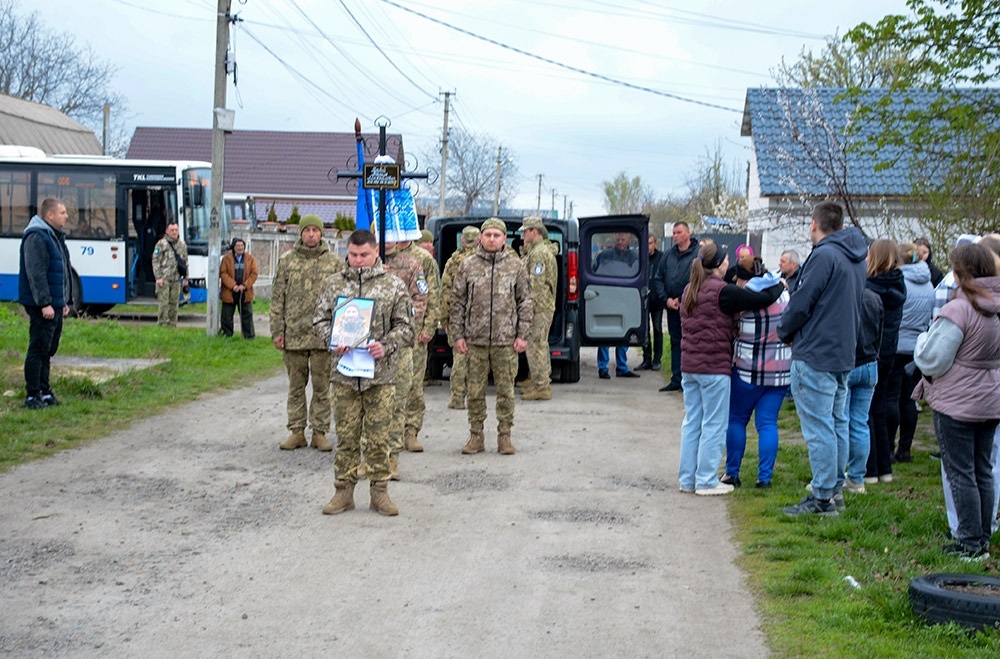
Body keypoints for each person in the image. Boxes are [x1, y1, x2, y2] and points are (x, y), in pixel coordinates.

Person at [315, 230, 414, 517]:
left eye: (364, 255)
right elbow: (318, 320)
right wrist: (332, 340)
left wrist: (386, 345)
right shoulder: (333, 284)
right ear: (347, 253)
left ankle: (379, 492)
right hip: (344, 374)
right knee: (346, 437)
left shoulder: (393, 285)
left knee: (379, 437)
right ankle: (343, 492)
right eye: (353, 255)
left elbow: (406, 327)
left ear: (375, 253)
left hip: (380, 377)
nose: (358, 261)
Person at [777, 201, 867, 517]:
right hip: (843, 352)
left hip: (816, 352)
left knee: (820, 428)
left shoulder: (824, 255)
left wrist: (784, 331)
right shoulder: (856, 256)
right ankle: (834, 491)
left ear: (814, 224)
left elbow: (801, 304)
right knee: (837, 422)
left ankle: (823, 497)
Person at [913, 242, 1000, 561]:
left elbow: (932, 359)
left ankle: (969, 542)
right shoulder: (995, 307)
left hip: (958, 401)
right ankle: (982, 538)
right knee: (982, 469)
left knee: (961, 472)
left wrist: (923, 339)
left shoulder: (959, 309)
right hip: (990, 398)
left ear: (961, 272)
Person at [678, 240, 784, 496]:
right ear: (718, 265)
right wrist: (781, 284)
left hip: (689, 367)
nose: (729, 264)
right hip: (714, 368)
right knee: (714, 424)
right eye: (726, 260)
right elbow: (762, 297)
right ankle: (705, 480)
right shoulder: (723, 291)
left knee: (692, 423)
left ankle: (687, 479)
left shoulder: (689, 289)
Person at [450, 218, 533, 455]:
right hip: (474, 341)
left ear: (504, 238)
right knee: (474, 391)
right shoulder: (467, 265)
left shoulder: (516, 265)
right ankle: (476, 435)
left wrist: (522, 334)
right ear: (480, 238)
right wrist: (457, 335)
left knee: (506, 390)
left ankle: (504, 436)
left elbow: (525, 301)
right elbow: (457, 301)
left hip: (505, 341)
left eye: (497, 235)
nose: (492, 239)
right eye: (488, 235)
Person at [269, 214, 343, 452]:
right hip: (294, 335)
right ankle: (297, 431)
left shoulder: (333, 263)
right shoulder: (287, 261)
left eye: (315, 230)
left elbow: (342, 299)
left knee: (322, 387)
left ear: (322, 233)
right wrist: (277, 331)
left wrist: (340, 333)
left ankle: (319, 432)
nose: (311, 234)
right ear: (300, 233)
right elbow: (277, 298)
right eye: (307, 230)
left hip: (323, 337)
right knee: (295, 387)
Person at [722, 264, 791, 489]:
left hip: (746, 370)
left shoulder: (744, 301)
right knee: (768, 423)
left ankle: (732, 473)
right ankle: (764, 478)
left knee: (737, 420)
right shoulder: (785, 296)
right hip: (778, 371)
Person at [18, 198, 73, 409]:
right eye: (62, 212)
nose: (66, 216)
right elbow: (36, 273)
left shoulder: (54, 237)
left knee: (49, 349)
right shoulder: (37, 237)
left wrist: (64, 301)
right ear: (49, 215)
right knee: (38, 348)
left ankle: (44, 390)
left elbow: (63, 272)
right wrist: (44, 304)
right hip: (42, 305)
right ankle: (32, 395)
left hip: (55, 304)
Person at [382, 240, 427, 478]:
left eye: (391, 233)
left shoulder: (411, 264)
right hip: (367, 349)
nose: (387, 238)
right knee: (366, 407)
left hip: (398, 346)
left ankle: (391, 459)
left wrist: (397, 324)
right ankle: (368, 457)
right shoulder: (357, 263)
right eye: (381, 232)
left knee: (397, 403)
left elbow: (420, 302)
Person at [863, 239, 906, 485]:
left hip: (872, 352)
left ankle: (869, 469)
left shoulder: (870, 287)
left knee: (866, 412)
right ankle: (884, 467)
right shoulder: (899, 285)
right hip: (889, 352)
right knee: (877, 410)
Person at [891, 242, 935, 463]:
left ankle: (888, 446)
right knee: (909, 400)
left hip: (897, 345)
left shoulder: (899, 282)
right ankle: (905, 448)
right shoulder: (928, 284)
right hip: (916, 347)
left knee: (891, 398)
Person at [843, 287, 884, 495]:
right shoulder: (874, 298)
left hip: (848, 363)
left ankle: (836, 477)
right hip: (870, 363)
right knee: (860, 422)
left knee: (841, 422)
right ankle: (857, 478)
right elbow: (880, 333)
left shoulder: (844, 294)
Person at [402, 238, 440, 451]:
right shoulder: (372, 255)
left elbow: (432, 295)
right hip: (380, 337)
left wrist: (428, 328)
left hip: (413, 333)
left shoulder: (423, 259)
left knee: (414, 385)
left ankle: (411, 431)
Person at [652, 222, 699, 392]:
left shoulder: (697, 254)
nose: (675, 236)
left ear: (688, 233)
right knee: (675, 342)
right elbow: (658, 278)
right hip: (671, 307)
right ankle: (676, 378)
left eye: (679, 232)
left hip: (690, 307)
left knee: (690, 343)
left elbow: (697, 280)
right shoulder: (668, 255)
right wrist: (666, 300)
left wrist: (681, 299)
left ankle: (689, 380)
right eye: (673, 233)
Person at [518, 216, 558, 400]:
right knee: (538, 344)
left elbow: (535, 284)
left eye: (525, 231)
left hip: (539, 307)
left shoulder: (539, 254)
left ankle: (541, 386)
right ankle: (537, 380)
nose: (523, 235)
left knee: (536, 345)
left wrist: (527, 308)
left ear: (535, 231)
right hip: (541, 306)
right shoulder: (536, 251)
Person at [441, 226, 480, 409]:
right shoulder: (483, 260)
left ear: (463, 240)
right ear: (479, 240)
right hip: (479, 317)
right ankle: (475, 397)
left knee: (459, 358)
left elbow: (445, 291)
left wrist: (446, 318)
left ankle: (457, 398)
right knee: (478, 359)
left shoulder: (453, 261)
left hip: (458, 314)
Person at [594, 232, 640, 379]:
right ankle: (603, 367)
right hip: (607, 297)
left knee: (625, 333)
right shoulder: (604, 255)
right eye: (618, 239)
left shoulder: (635, 257)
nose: (620, 242)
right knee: (605, 334)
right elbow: (595, 272)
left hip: (625, 298)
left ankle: (622, 367)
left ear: (628, 240)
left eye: (623, 239)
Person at [219, 237, 258, 339]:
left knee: (247, 316)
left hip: (245, 293)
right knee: (226, 316)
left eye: (242, 246)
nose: (240, 248)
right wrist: (233, 286)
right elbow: (223, 274)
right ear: (233, 247)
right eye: (238, 246)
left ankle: (249, 337)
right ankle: (226, 336)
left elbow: (254, 274)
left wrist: (245, 285)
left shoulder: (250, 259)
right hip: (230, 292)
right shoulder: (226, 259)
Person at [152, 222, 188, 327]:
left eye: (176, 230)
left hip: (176, 279)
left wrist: (186, 278)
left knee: (174, 303)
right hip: (164, 279)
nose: (174, 232)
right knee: (164, 304)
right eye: (172, 230)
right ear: (167, 231)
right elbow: (155, 260)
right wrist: (158, 277)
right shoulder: (161, 244)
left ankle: (172, 325)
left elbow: (185, 262)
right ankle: (163, 324)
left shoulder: (182, 245)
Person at [638, 234, 664, 371]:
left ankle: (657, 359)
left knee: (658, 329)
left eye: (650, 243)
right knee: (645, 330)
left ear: (655, 244)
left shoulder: (661, 258)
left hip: (657, 300)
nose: (648, 247)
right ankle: (646, 359)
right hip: (643, 299)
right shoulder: (640, 258)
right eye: (646, 244)